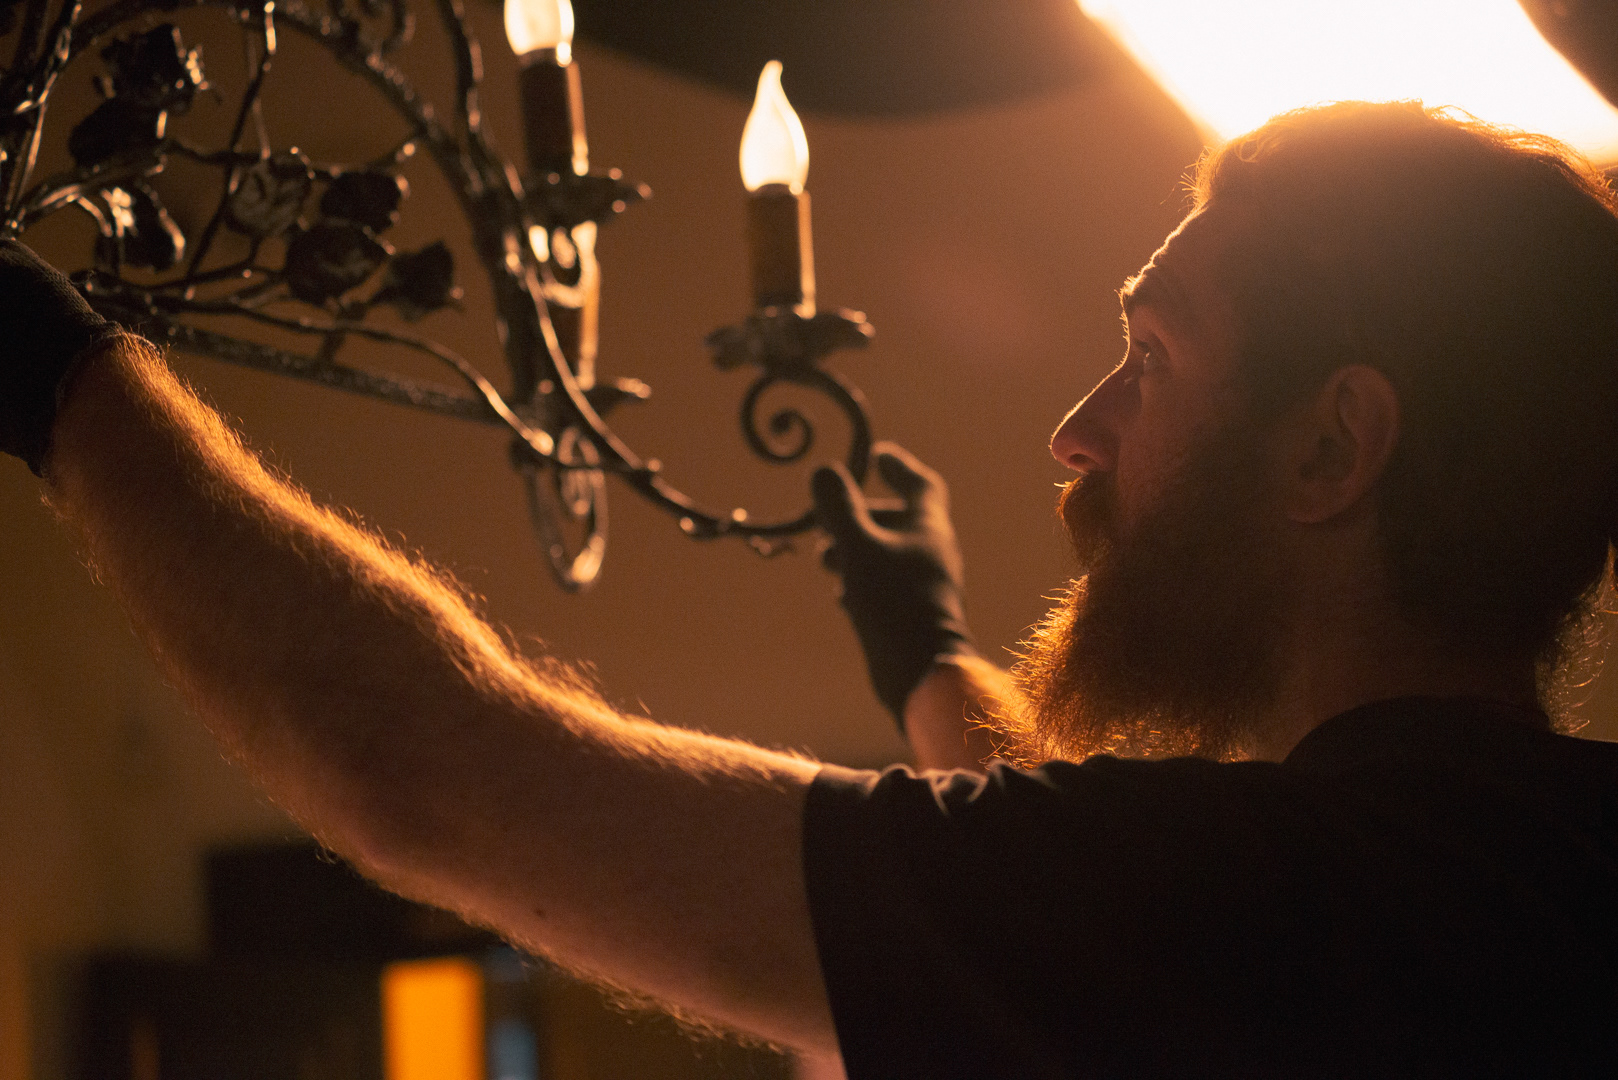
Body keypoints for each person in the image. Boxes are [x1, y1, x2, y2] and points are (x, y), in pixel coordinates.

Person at [6, 100, 1618, 1077]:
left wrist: (51, 372)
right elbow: (1090, 913)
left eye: (1152, 357)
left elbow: (423, 770)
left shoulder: (1273, 903)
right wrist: (922, 650)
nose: (1079, 433)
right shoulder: (1482, 887)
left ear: (1331, 444)